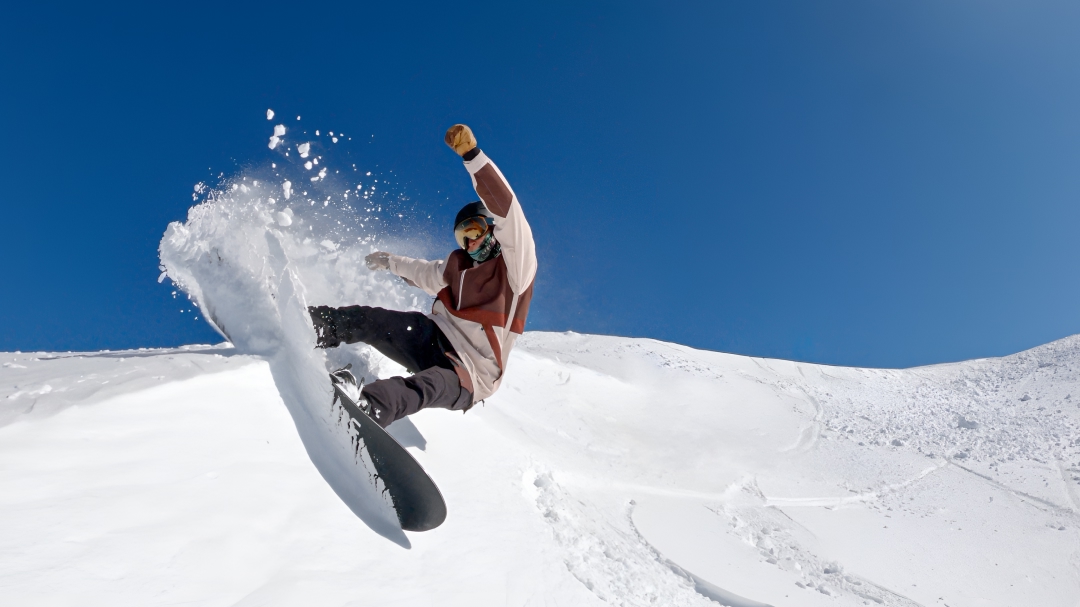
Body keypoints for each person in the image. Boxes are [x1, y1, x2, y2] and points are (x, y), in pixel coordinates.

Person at [307, 124, 537, 428]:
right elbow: (423, 273)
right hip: (433, 338)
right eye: (462, 237)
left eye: (474, 230)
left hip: (472, 372)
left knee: (425, 387)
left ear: (491, 227)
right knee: (373, 320)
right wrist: (390, 262)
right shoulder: (457, 266)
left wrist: (472, 156)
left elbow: (510, 213)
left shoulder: (516, 270)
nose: (470, 243)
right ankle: (313, 324)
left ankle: (369, 407)